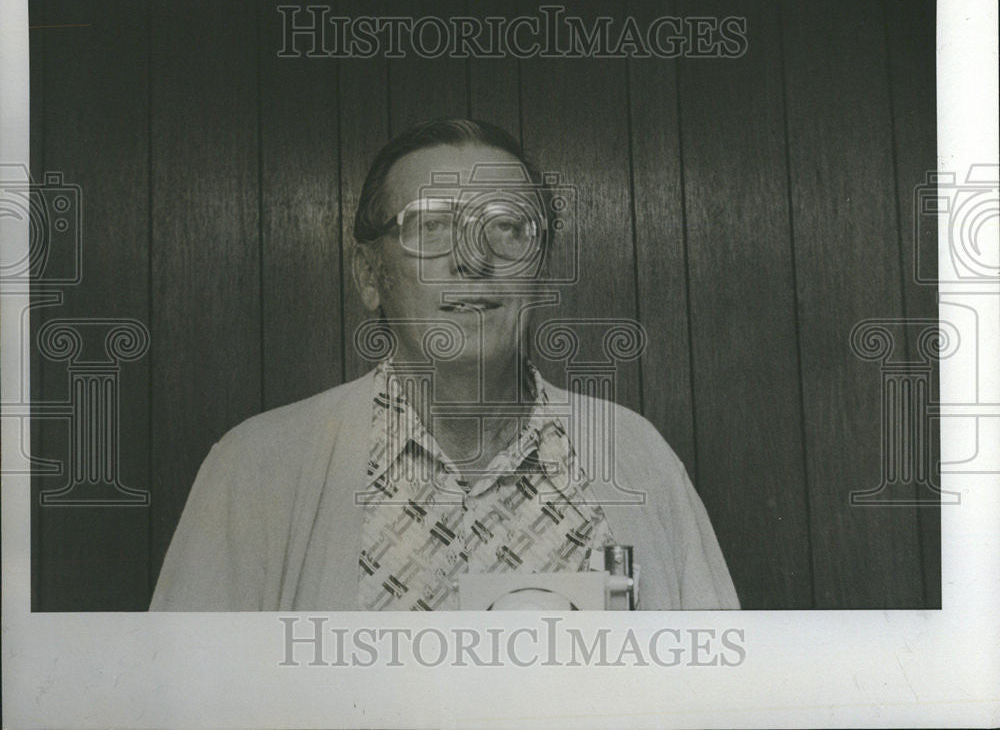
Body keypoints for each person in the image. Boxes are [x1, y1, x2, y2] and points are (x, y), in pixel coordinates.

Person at [150, 118, 739, 611]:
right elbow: (183, 705)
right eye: (431, 226)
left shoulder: (636, 455)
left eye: (506, 227)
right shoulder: (256, 470)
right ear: (369, 276)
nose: (470, 259)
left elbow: (719, 697)